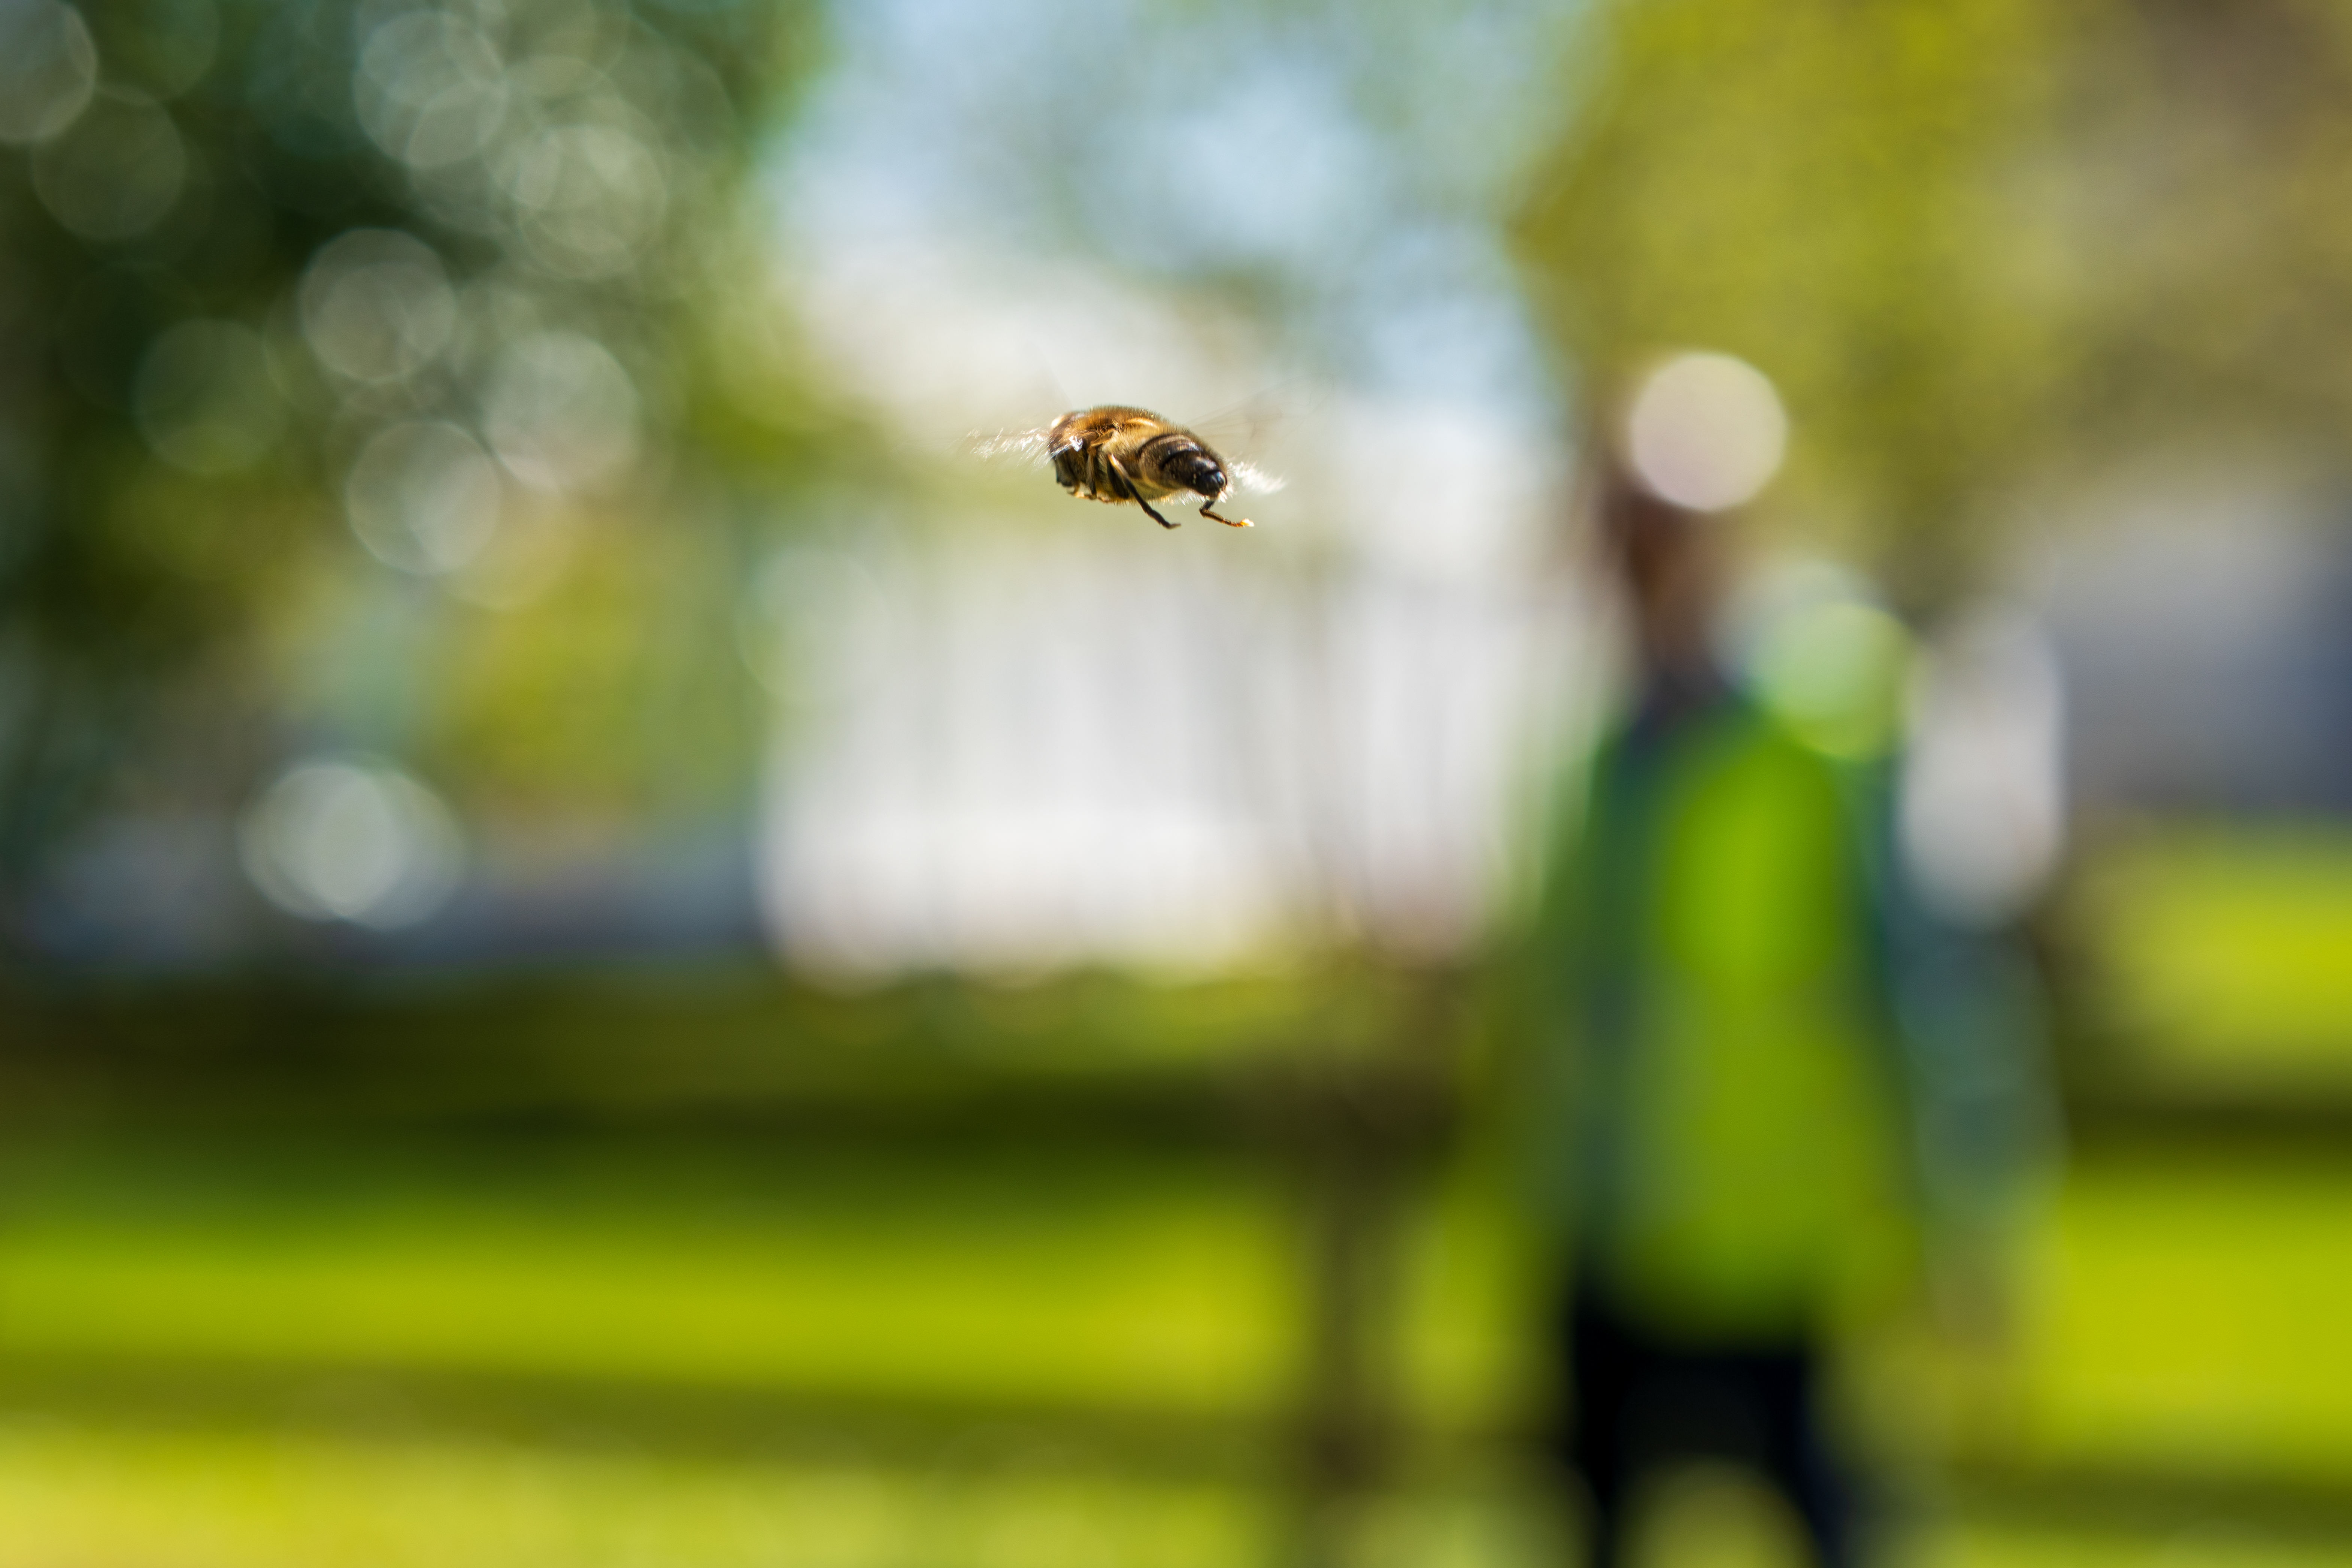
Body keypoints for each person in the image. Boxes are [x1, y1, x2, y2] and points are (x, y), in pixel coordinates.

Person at [1519, 452, 2051, 1567]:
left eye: (1663, 527)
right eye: (1619, 528)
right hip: (1608, 1224)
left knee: (1830, 1518)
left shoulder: (1832, 728)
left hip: (1773, 1242)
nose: (1637, 558)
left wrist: (1971, 1210)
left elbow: (1933, 981)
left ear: (1732, 537)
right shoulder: (1599, 750)